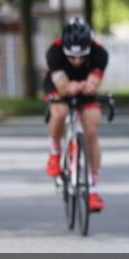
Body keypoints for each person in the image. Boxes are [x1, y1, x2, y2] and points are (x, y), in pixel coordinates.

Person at [43, 17, 109, 213]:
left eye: (82, 56)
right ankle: (55, 151)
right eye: (72, 57)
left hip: (84, 90)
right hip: (59, 87)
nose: (77, 61)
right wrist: (69, 88)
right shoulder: (53, 53)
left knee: (91, 130)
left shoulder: (100, 54)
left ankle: (93, 187)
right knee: (60, 112)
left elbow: (93, 84)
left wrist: (88, 85)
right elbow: (63, 87)